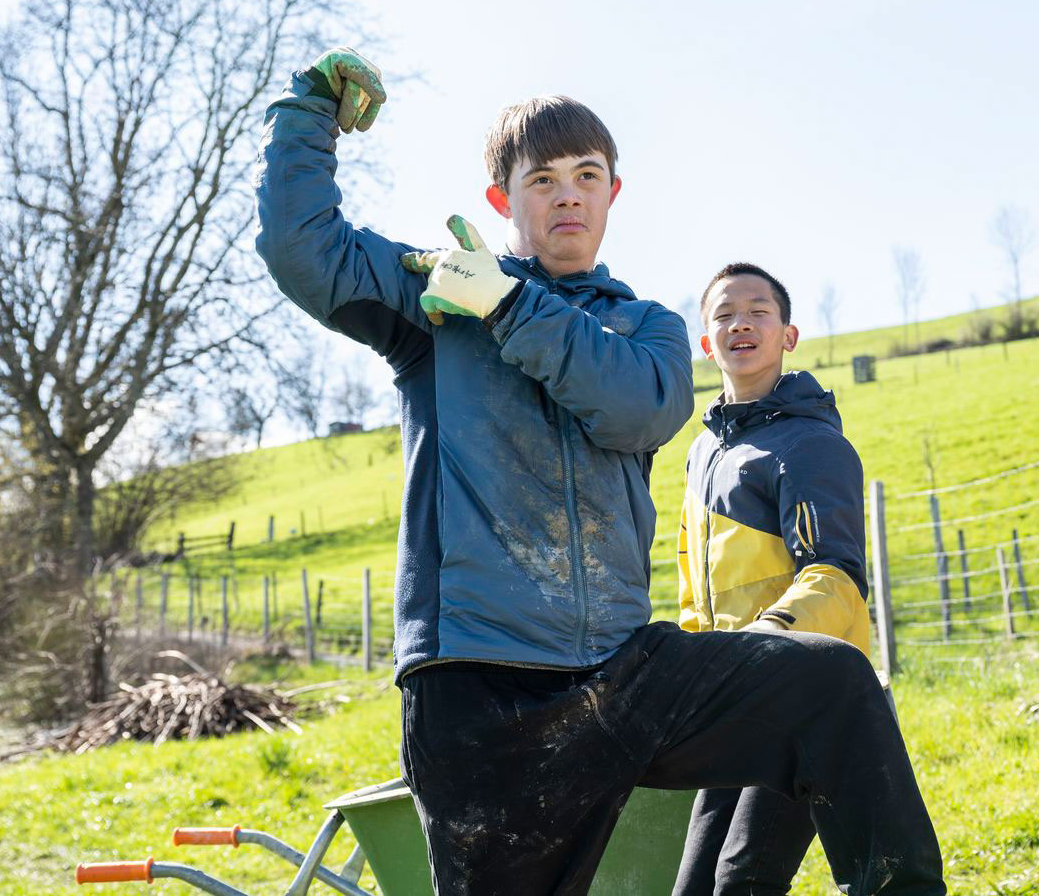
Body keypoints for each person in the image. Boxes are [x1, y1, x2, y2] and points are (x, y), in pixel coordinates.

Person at [254, 47, 945, 895]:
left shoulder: (647, 330)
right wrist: (308, 116)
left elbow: (637, 409)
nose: (569, 193)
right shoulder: (435, 307)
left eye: (588, 174)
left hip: (625, 673)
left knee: (832, 685)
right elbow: (303, 251)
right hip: (478, 689)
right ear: (502, 199)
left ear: (614, 193)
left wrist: (508, 304)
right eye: (542, 178)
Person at [673, 263, 886, 895]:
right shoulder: (702, 453)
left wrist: (765, 645)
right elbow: (694, 585)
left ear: (788, 335)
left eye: (759, 311)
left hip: (803, 699)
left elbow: (836, 575)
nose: (741, 322)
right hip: (729, 702)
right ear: (706, 343)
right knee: (693, 887)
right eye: (723, 314)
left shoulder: (811, 446)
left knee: (742, 882)